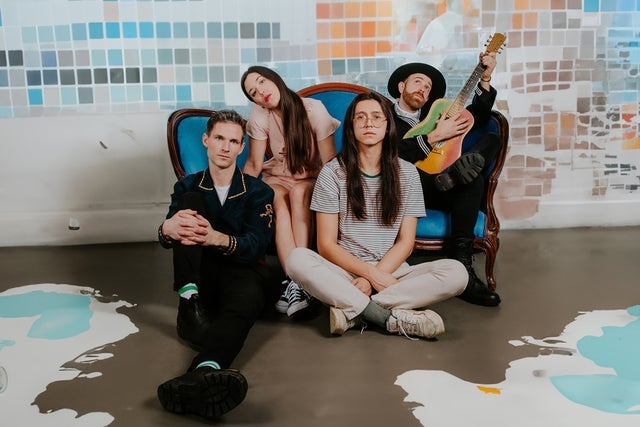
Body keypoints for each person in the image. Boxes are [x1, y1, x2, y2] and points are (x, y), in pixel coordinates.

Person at [286, 92, 468, 339]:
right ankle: (385, 318)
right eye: (360, 117)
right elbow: (325, 245)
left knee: (457, 273)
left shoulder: (407, 173)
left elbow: (406, 242)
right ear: (351, 127)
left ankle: (353, 310)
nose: (368, 123)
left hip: (392, 269)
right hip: (344, 270)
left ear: (387, 125)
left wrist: (374, 279)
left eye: (376, 117)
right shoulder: (332, 173)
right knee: (297, 258)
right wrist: (370, 276)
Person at [156, 110, 275, 420]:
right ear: (206, 140)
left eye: (233, 141)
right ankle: (188, 298)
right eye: (220, 138)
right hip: (200, 275)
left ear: (241, 147)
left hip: (243, 271)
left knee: (244, 304)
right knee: (188, 206)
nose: (225, 147)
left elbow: (256, 245)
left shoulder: (259, 191)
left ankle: (202, 371)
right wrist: (165, 229)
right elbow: (171, 235)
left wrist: (216, 238)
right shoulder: (187, 186)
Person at [387, 53, 502, 307]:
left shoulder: (437, 115)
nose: (423, 88)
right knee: (467, 178)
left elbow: (479, 116)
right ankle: (457, 174)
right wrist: (434, 136)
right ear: (401, 86)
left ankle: (462, 267)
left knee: (489, 145)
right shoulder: (382, 116)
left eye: (428, 87)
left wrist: (485, 78)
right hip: (410, 186)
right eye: (418, 82)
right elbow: (385, 153)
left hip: (443, 184)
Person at [240, 65, 340, 318]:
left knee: (297, 194)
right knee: (275, 197)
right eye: (253, 92)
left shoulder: (313, 109)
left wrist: (335, 195)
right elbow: (253, 163)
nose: (260, 92)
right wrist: (236, 197)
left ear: (274, 79)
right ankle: (295, 283)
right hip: (278, 176)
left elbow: (329, 162)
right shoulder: (260, 115)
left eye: (261, 82)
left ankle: (300, 277)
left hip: (313, 176)